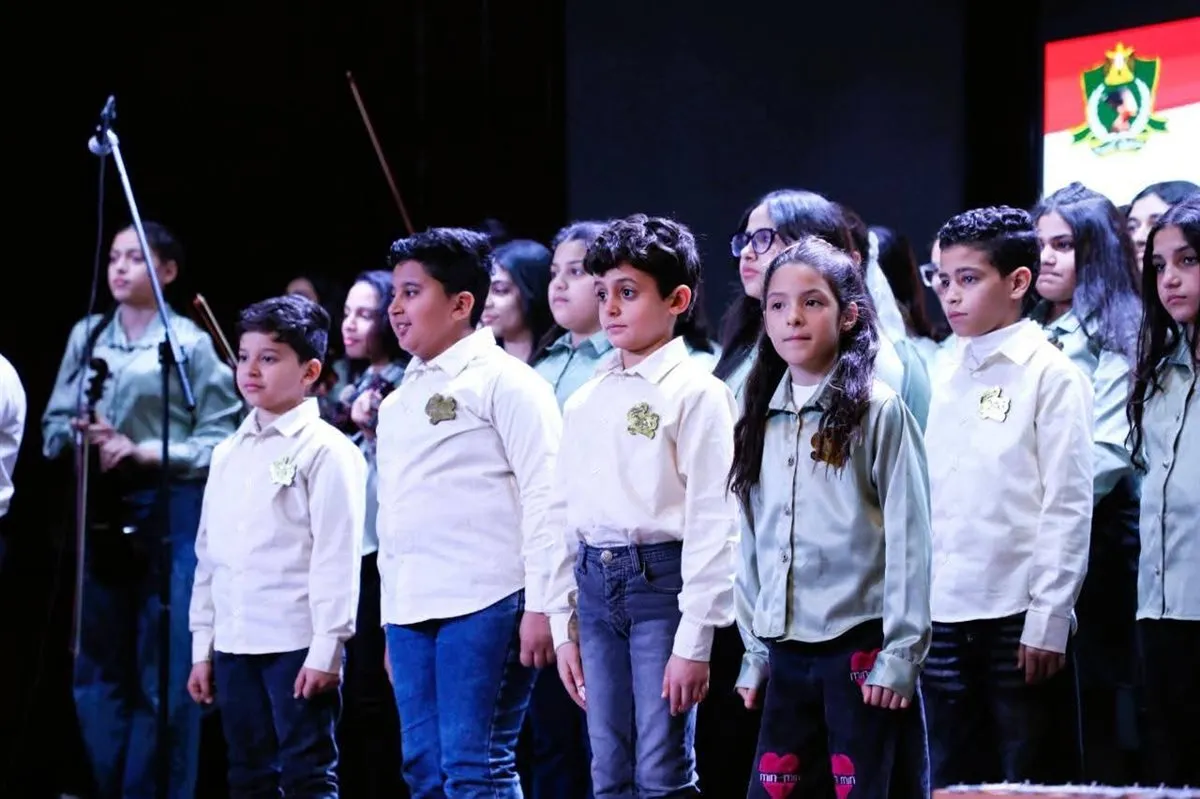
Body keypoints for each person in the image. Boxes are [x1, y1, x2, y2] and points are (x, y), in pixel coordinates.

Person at [42, 221, 242, 799]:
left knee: (167, 670)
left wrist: (146, 450)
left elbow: (222, 439)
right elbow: (52, 424)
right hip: (99, 512)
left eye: (135, 257)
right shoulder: (88, 335)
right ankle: (108, 785)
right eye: (114, 257)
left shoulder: (190, 344)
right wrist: (82, 435)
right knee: (97, 667)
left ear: (168, 271)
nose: (120, 268)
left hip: (170, 510)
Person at [730, 236, 932, 799]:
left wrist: (900, 655)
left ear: (849, 316)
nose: (792, 317)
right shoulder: (757, 411)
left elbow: (911, 539)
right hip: (783, 648)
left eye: (812, 302)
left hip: (860, 648)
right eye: (777, 304)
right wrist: (754, 651)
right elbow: (750, 538)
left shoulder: (878, 409)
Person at [545, 214, 739, 797]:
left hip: (662, 586)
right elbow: (563, 513)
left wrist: (695, 641)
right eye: (602, 292)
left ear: (677, 299)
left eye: (628, 292)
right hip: (593, 586)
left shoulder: (698, 392)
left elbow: (715, 521)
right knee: (607, 770)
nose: (610, 307)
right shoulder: (585, 399)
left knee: (661, 768)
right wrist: (561, 622)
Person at [376, 227, 561, 797]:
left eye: (412, 292)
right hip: (411, 611)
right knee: (423, 770)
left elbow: (547, 494)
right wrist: (390, 619)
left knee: (475, 765)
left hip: (488, 600)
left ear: (461, 304)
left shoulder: (509, 383)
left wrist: (544, 604)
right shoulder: (397, 400)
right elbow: (393, 517)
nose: (395, 308)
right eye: (395, 294)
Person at [923, 206, 1093, 785]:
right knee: (950, 777)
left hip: (1016, 617)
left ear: (1018, 282)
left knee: (1025, 779)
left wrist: (1049, 616)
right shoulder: (945, 367)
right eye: (943, 279)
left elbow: (1067, 504)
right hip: (944, 613)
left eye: (969, 279)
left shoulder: (1051, 373)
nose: (951, 295)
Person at [187, 294, 365, 798]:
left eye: (268, 358)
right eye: (244, 356)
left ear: (309, 371)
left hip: (295, 642)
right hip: (234, 642)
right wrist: (203, 647)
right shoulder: (227, 452)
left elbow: (336, 558)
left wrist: (327, 648)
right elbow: (209, 557)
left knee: (306, 773)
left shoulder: (327, 451)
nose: (250, 370)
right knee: (247, 774)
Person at [1031, 182, 1142, 781]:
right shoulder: (1025, 327)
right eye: (1040, 244)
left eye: (1064, 245)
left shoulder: (1122, 330)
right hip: (1025, 541)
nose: (1046, 257)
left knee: (1093, 703)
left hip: (1094, 542)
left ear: (1096, 251)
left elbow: (1107, 454)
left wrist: (1026, 509)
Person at [325, 271, 410, 799]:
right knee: (351, 697)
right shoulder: (346, 386)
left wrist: (375, 425)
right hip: (349, 549)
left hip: (385, 552)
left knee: (376, 694)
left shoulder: (404, 382)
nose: (351, 325)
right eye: (347, 313)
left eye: (365, 314)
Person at [1126, 193, 1200, 788]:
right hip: (1159, 606)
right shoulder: (1161, 369)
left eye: (1188, 261)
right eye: (1159, 266)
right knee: (1168, 770)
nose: (1169, 279)